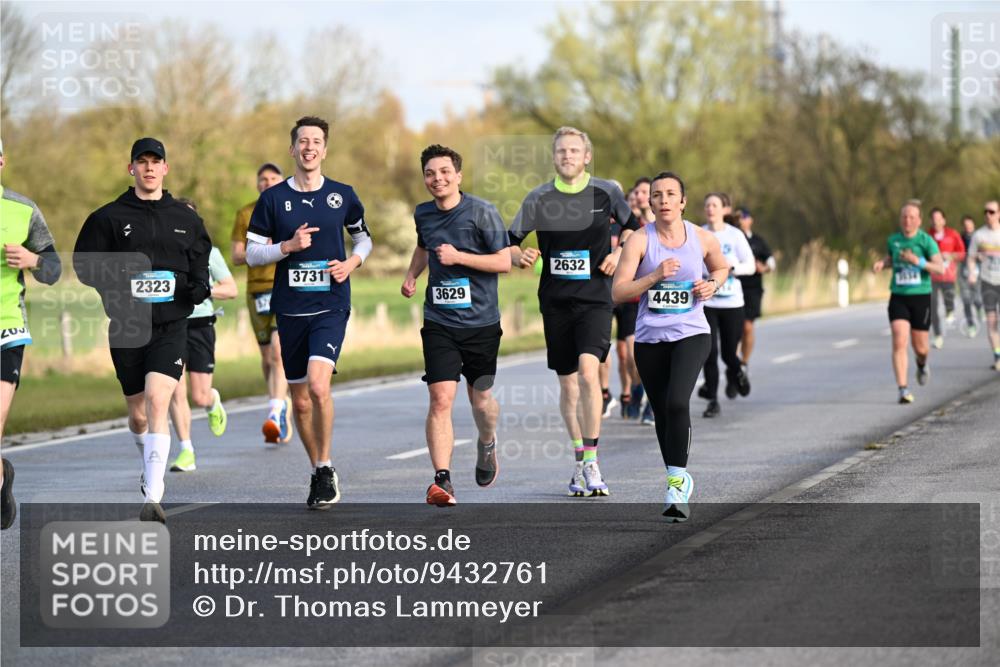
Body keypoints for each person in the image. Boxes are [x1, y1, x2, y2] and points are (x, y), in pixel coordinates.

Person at [74, 138, 212, 523]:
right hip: (127, 325)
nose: (149, 168)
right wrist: (121, 277)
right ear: (130, 168)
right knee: (137, 415)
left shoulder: (186, 219)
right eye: (142, 162)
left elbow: (201, 260)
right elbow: (85, 266)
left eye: (156, 162)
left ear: (166, 168)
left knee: (157, 400)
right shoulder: (108, 218)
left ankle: (153, 495)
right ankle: (148, 463)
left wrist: (199, 286)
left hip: (171, 324)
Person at [245, 116, 373, 509]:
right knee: (299, 401)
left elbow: (363, 238)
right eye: (303, 141)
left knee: (319, 387)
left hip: (331, 303)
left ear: (325, 149)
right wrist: (287, 246)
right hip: (290, 308)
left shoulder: (342, 195)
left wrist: (352, 263)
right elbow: (252, 254)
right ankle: (319, 470)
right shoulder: (272, 199)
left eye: (316, 141)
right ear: (292, 149)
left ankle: (327, 463)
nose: (309, 147)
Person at [508, 126, 640, 497]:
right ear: (554, 157)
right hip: (555, 299)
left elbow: (634, 228)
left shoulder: (607, 191)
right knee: (567, 383)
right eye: (561, 151)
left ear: (586, 157)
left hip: (596, 296)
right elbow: (511, 242)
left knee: (587, 372)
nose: (567, 156)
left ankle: (592, 461)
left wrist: (617, 254)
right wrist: (522, 256)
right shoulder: (539, 197)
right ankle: (579, 458)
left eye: (574, 150)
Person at [612, 171, 728, 521]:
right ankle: (675, 475)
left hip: (692, 332)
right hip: (649, 338)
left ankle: (677, 482)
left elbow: (722, 267)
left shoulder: (701, 237)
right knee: (662, 411)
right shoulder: (638, 241)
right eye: (657, 195)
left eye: (670, 194)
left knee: (678, 402)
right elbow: (618, 292)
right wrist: (654, 276)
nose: (664, 200)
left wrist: (712, 284)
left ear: (682, 201)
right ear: (650, 203)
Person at [401, 145, 511, 507]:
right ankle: (442, 480)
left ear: (458, 176)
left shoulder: (482, 212)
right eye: (430, 173)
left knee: (480, 401)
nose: (437, 179)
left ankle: (487, 441)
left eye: (445, 172)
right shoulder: (423, 214)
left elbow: (504, 262)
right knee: (440, 398)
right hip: (440, 321)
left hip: (481, 323)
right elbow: (424, 247)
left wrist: (458, 257)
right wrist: (412, 275)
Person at [0, 139, 63, 530]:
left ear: (2, 161)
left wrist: (32, 259)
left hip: (6, 328)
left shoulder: (23, 210)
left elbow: (54, 268)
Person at [168, 198, 238, 472]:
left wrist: (203, 289)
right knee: (175, 389)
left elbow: (230, 289)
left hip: (200, 325)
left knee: (199, 395)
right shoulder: (164, 254)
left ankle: (212, 401)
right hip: (173, 324)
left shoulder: (210, 253)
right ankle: (186, 450)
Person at [231, 163, 292, 443]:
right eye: (263, 179)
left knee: (280, 353)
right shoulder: (246, 213)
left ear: (281, 182)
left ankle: (275, 411)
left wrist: (281, 246)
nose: (267, 183)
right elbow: (237, 256)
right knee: (267, 357)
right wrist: (261, 248)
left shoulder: (290, 208)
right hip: (256, 290)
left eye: (273, 179)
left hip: (284, 286)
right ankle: (278, 399)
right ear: (257, 184)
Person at [872, 202, 945, 403]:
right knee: (899, 339)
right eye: (904, 216)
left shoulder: (926, 241)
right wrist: (882, 263)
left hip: (921, 297)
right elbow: (891, 259)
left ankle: (922, 364)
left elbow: (940, 269)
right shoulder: (893, 240)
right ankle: (902, 389)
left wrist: (918, 262)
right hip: (899, 296)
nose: (907, 220)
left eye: (912, 217)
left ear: (919, 220)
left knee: (921, 347)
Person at [699, 193, 755, 418]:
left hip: (732, 302)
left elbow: (750, 265)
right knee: (709, 352)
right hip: (707, 301)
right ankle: (712, 400)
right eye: (707, 205)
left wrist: (732, 268)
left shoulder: (735, 235)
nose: (710, 209)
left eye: (715, 205)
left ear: (724, 210)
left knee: (728, 353)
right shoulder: (699, 233)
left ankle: (737, 372)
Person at [735, 207, 775, 367]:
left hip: (752, 288)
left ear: (750, 219)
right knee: (734, 328)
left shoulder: (758, 241)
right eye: (738, 217)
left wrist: (763, 268)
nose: (741, 220)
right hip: (734, 287)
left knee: (747, 327)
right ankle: (734, 364)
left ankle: (744, 362)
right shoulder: (732, 238)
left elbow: (771, 262)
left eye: (744, 217)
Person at [966, 201, 1000, 371]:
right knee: (992, 322)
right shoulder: (979, 235)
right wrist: (972, 272)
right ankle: (997, 355)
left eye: (992, 211)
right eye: (985, 211)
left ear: (999, 214)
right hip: (988, 282)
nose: (988, 214)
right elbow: (971, 257)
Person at [928, 207, 965, 349]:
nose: (936, 222)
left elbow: (962, 253)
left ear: (944, 220)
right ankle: (937, 335)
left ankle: (950, 310)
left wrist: (951, 255)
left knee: (949, 301)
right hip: (931, 276)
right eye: (933, 219)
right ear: (930, 220)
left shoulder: (953, 234)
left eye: (939, 219)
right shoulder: (927, 236)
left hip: (948, 275)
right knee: (932, 306)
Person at [959, 214, 984, 336]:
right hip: (964, 272)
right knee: (966, 299)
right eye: (965, 225)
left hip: (977, 271)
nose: (968, 227)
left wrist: (980, 256)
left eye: (970, 224)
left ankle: (979, 308)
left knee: (978, 297)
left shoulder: (980, 237)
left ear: (973, 225)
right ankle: (971, 325)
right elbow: (957, 253)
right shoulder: (960, 238)